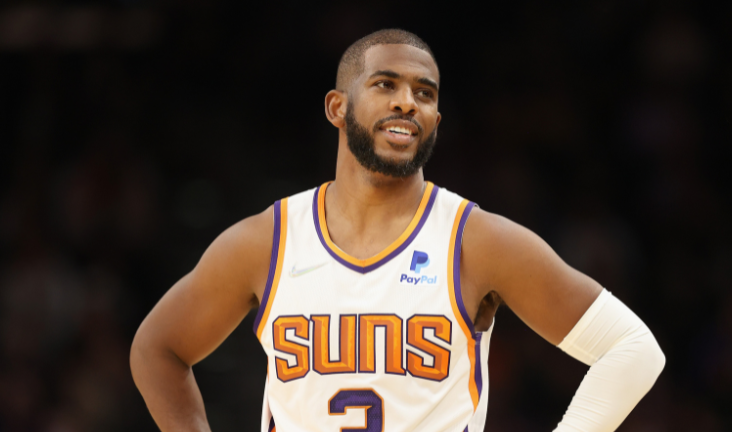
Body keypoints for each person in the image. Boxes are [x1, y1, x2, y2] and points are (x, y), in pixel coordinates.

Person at [130, 29, 665, 432]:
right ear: (337, 107)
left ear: (435, 121)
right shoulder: (266, 241)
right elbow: (157, 349)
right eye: (385, 84)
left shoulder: (476, 240)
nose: (407, 101)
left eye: (424, 93)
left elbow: (634, 348)